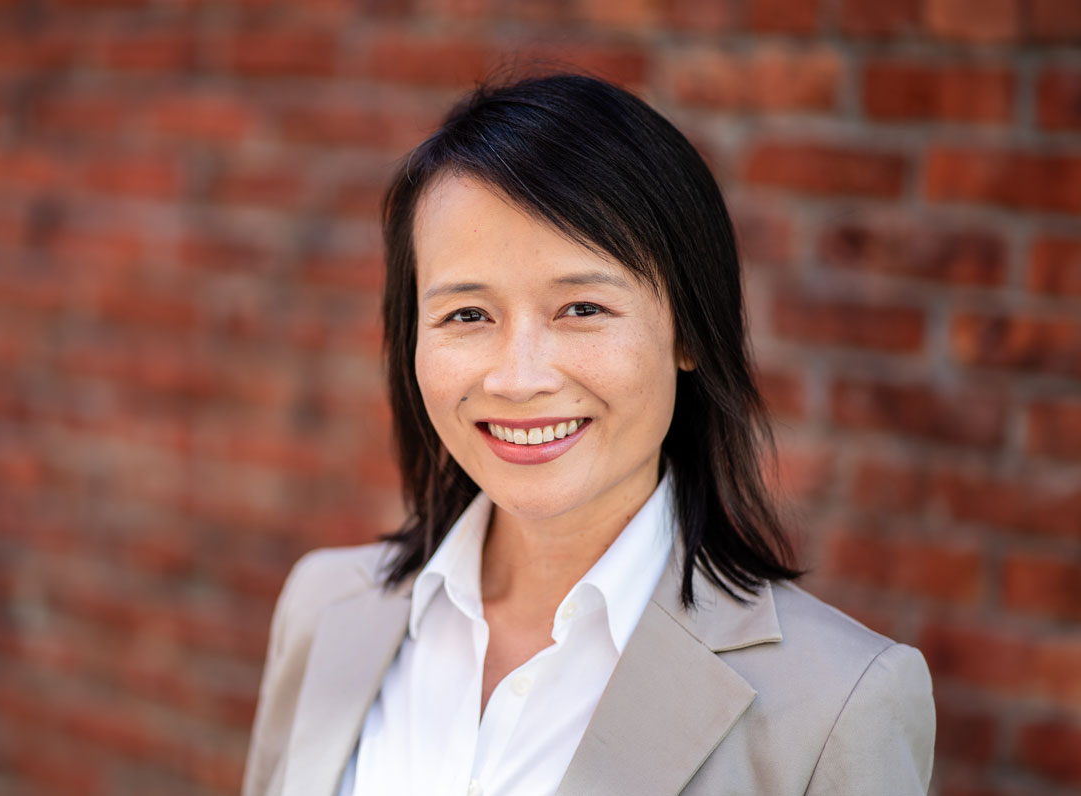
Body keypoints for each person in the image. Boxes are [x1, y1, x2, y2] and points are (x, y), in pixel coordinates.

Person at [242, 73, 935, 796]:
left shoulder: (838, 706)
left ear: (688, 332)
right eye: (468, 316)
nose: (518, 378)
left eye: (580, 308)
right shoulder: (325, 610)